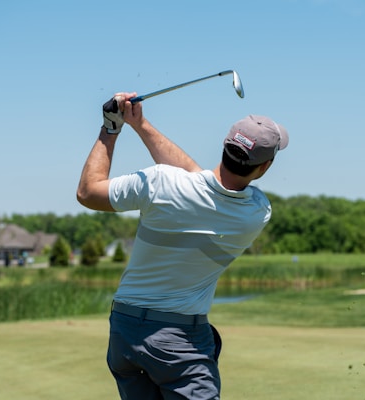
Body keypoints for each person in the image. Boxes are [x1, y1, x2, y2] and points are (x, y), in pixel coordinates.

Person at [77, 92, 289, 400]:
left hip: (123, 332)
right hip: (178, 342)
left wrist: (112, 128)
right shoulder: (256, 212)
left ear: (224, 147)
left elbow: (87, 192)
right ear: (264, 167)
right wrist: (141, 124)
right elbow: (198, 180)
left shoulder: (160, 182)